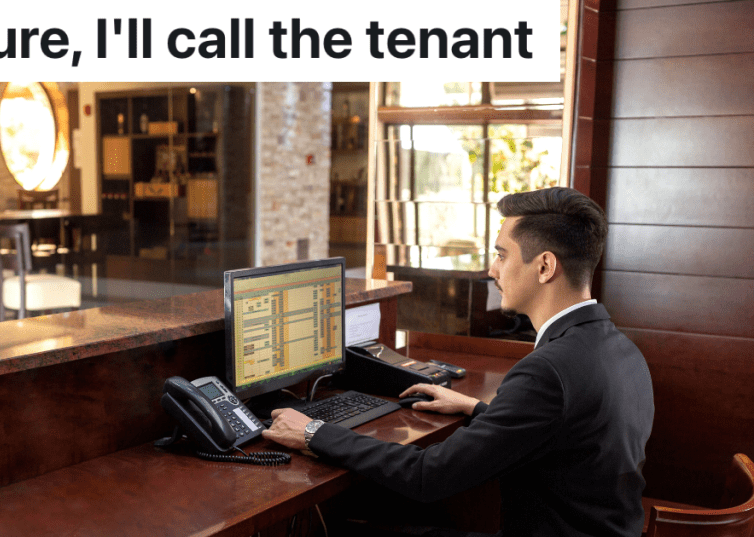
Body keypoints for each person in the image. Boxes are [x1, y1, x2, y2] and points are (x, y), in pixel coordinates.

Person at [263, 187, 655, 537]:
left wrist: (314, 431)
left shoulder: (547, 371)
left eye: (502, 255)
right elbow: (569, 433)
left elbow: (427, 475)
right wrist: (477, 407)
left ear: (545, 266)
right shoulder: (620, 350)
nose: (492, 270)